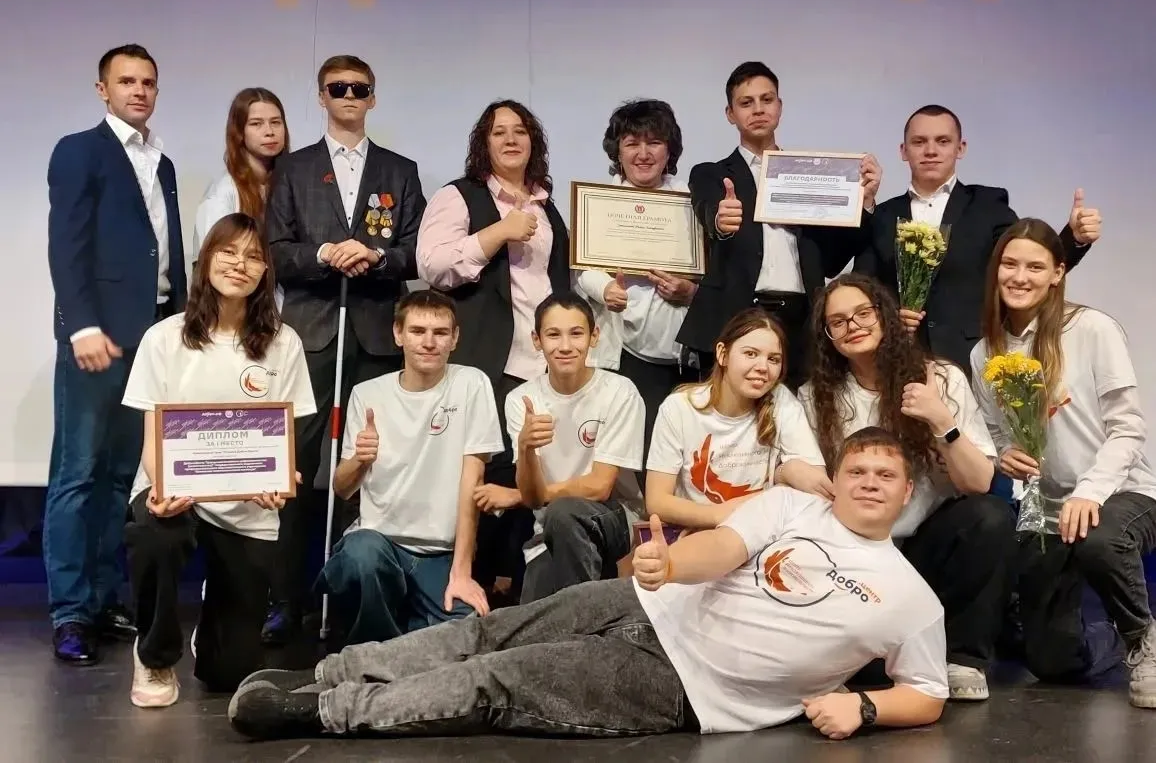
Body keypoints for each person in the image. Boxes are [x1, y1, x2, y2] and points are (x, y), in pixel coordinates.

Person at [226, 426, 947, 741]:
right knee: (488, 630)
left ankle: (330, 714)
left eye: (885, 475)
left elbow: (928, 690)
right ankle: (327, 674)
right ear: (836, 477)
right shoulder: (793, 504)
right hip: (649, 599)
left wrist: (865, 708)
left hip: (684, 683)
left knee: (498, 678)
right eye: (857, 470)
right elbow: (726, 546)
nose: (869, 482)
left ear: (906, 488)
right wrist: (670, 566)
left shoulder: (912, 597)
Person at [263, 54, 427, 643]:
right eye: (339, 88)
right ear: (322, 96)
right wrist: (323, 254)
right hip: (312, 333)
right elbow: (276, 250)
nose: (350, 96)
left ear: (373, 97)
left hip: (376, 333)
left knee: (369, 462)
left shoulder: (399, 171)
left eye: (360, 88)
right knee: (298, 467)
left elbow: (416, 251)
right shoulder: (295, 169)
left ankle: (355, 591)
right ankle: (286, 598)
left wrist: (377, 256)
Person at [119, 213, 315, 706]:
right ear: (205, 260)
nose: (240, 264)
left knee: (229, 673)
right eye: (228, 252)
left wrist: (280, 479)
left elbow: (283, 436)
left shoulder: (284, 343)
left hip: (248, 505)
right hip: (174, 494)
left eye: (253, 257)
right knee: (155, 534)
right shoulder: (164, 338)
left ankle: (212, 637)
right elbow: (153, 434)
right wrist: (161, 489)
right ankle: (154, 654)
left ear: (265, 272)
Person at [796, 273, 1011, 702]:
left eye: (863, 313)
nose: (852, 326)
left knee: (989, 517)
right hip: (856, 556)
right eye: (837, 321)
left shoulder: (941, 379)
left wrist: (940, 420)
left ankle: (963, 658)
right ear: (827, 337)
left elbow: (980, 483)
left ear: (885, 316)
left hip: (925, 546)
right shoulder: (814, 396)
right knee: (868, 671)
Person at [970, 218, 1156, 706]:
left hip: (1122, 495)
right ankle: (1105, 638)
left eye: (1035, 267)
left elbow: (1128, 428)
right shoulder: (984, 352)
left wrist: (1091, 491)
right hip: (1048, 511)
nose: (1019, 276)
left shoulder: (1092, 328)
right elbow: (993, 432)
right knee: (1051, 661)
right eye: (1010, 264)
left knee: (1099, 536)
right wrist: (1004, 454)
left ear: (1058, 272)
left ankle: (1144, 640)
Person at [43, 44, 188, 665]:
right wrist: (80, 325)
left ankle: (103, 599)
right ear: (103, 89)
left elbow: (165, 249)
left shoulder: (162, 162)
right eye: (126, 81)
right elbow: (66, 243)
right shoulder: (80, 150)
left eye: (148, 82)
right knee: (77, 473)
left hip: (152, 335)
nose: (139, 91)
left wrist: (181, 324)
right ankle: (70, 612)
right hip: (96, 337)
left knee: (121, 476)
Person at [416, 100, 571, 602]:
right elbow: (432, 265)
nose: (510, 139)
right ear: (483, 143)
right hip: (488, 362)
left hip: (541, 365)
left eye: (520, 131)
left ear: (533, 141)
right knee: (479, 481)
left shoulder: (547, 206)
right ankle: (467, 594)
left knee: (530, 482)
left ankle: (520, 600)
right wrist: (499, 232)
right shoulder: (459, 196)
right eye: (498, 132)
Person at [677, 61, 881, 387]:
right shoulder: (710, 173)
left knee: (799, 412)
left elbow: (831, 261)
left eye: (767, 100)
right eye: (746, 103)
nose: (758, 109)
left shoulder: (811, 175)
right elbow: (708, 210)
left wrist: (864, 202)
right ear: (730, 113)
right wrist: (719, 220)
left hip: (802, 323)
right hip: (735, 315)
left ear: (780, 107)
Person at [854, 104, 1102, 373]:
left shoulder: (988, 204)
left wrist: (1074, 238)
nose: (930, 150)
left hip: (976, 362)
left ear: (960, 148)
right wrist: (890, 318)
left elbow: (1027, 262)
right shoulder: (881, 215)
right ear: (903, 151)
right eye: (919, 142)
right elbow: (860, 289)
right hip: (899, 365)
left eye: (943, 141)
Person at [315, 289, 502, 644]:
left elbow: (472, 483)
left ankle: (405, 635)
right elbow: (342, 487)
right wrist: (360, 460)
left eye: (440, 332)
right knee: (361, 556)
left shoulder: (472, 383)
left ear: (455, 338)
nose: (429, 342)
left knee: (465, 636)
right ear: (398, 334)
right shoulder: (368, 393)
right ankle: (381, 648)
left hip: (439, 553)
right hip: (379, 544)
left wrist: (462, 573)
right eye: (417, 331)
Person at [576, 99, 696, 465]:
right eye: (632, 143)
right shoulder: (599, 201)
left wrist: (691, 292)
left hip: (683, 358)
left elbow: (712, 274)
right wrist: (604, 289)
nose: (643, 154)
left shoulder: (691, 202)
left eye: (654, 142)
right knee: (630, 458)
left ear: (669, 150)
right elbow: (581, 268)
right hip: (625, 354)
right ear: (618, 151)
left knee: (680, 457)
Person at [506, 292, 645, 602]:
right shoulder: (521, 400)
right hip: (549, 528)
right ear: (537, 340)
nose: (566, 346)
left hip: (616, 519)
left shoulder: (619, 391)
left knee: (563, 511)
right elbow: (532, 497)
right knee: (533, 610)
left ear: (594, 336)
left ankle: (581, 615)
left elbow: (600, 486)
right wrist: (525, 448)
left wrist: (532, 496)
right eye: (553, 334)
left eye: (576, 333)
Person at [645, 308, 826, 533]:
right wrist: (719, 516)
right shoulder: (679, 408)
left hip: (761, 531)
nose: (763, 367)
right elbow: (657, 501)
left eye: (773, 359)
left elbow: (816, 486)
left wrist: (786, 471)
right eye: (750, 354)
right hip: (698, 529)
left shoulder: (780, 400)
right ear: (723, 354)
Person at [193, 87, 290, 253]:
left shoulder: (292, 183)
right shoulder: (222, 192)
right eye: (256, 123)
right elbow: (214, 259)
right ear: (239, 132)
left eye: (275, 122)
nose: (269, 132)